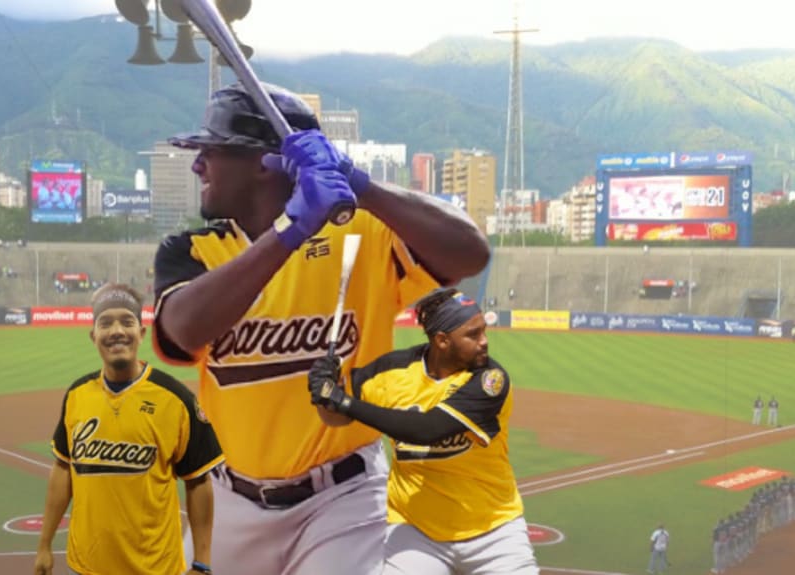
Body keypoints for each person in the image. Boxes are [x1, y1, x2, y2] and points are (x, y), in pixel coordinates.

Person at [152, 82, 489, 575]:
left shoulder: (361, 232)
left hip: (344, 500)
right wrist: (291, 229)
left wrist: (362, 185)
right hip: (229, 500)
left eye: (212, 150)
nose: (198, 165)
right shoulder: (193, 252)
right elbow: (183, 329)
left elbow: (471, 253)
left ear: (264, 163)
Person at [307, 287, 538, 575]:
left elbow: (426, 429)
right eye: (473, 334)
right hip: (416, 532)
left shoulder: (490, 380)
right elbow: (335, 416)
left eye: (483, 331)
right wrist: (324, 391)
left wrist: (343, 401)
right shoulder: (391, 371)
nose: (484, 342)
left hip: (493, 529)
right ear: (442, 340)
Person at [35, 283, 223, 575]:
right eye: (105, 323)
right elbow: (63, 468)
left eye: (126, 321)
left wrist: (202, 562)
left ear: (141, 333)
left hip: (155, 569)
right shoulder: (77, 395)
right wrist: (44, 545)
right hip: (85, 567)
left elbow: (198, 482)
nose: (117, 331)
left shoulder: (176, 399)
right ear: (93, 336)